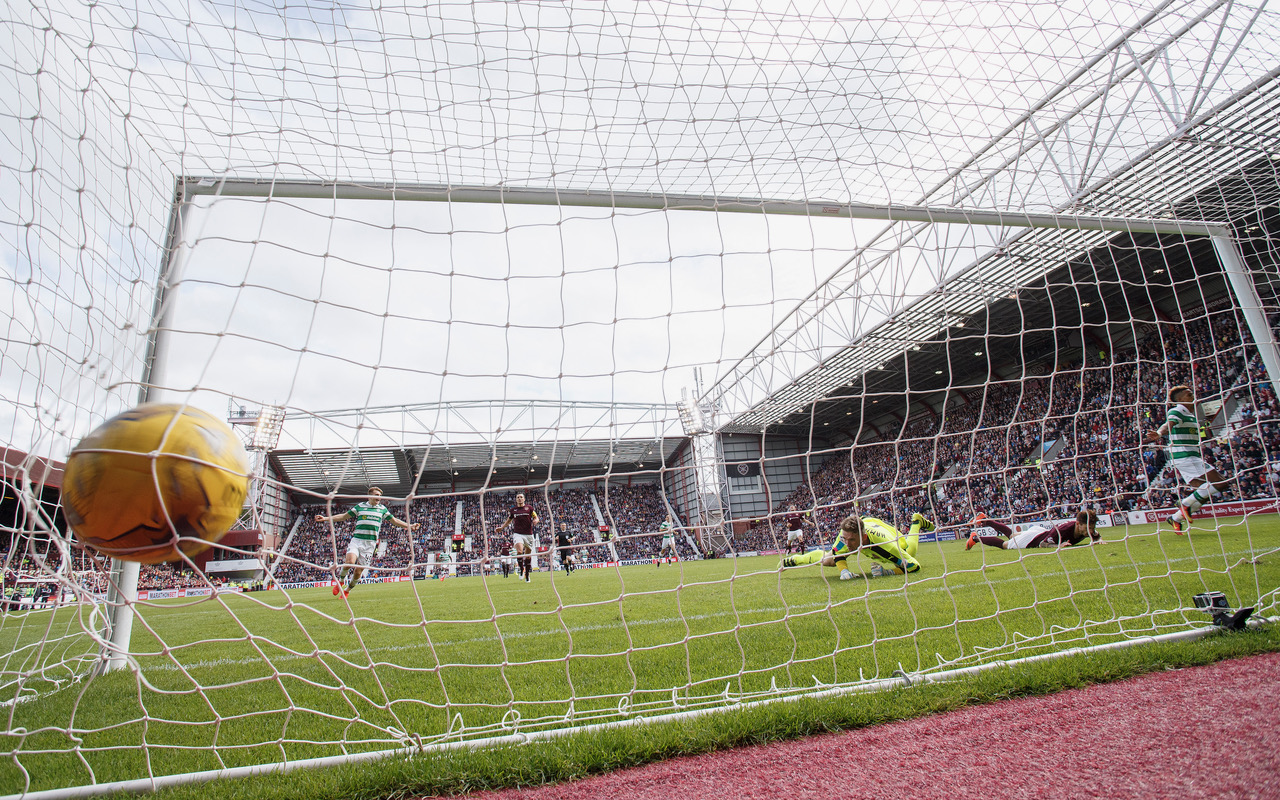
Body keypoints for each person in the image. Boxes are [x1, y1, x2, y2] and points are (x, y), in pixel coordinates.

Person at [1145, 385, 1231, 533]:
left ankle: (1176, 518)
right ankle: (1183, 504)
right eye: (1188, 394)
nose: (1192, 396)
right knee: (1221, 483)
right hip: (1186, 456)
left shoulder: (1190, 415)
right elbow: (1168, 424)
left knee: (1202, 494)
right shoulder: (1177, 410)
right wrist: (1159, 433)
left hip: (1188, 456)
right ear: (1180, 400)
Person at [315, 487, 419, 599]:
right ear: (369, 496)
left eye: (380, 495)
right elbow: (344, 516)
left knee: (358, 572)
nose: (378, 497)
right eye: (376, 495)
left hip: (370, 545)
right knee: (349, 561)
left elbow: (395, 521)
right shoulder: (361, 506)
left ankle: (347, 590)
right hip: (357, 540)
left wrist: (410, 526)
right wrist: (325, 519)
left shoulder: (382, 509)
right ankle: (340, 581)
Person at [781, 512, 930, 580]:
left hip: (887, 533)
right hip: (863, 525)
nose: (847, 544)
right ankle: (796, 559)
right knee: (828, 560)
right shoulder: (845, 536)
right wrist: (844, 571)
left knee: (910, 551)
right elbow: (838, 553)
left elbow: (914, 566)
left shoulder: (886, 546)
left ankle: (917, 522)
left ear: (863, 537)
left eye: (851, 540)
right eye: (845, 539)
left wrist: (889, 572)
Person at [965, 509, 1100, 550]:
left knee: (1012, 535)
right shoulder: (1064, 530)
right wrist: (1059, 545)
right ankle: (975, 538)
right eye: (1088, 528)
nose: (1090, 531)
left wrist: (1099, 539)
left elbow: (1096, 535)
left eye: (1091, 528)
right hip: (1035, 538)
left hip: (1041, 531)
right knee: (1005, 545)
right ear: (1078, 524)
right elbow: (1043, 544)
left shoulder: (1088, 530)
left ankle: (985, 520)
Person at [495, 492, 539, 582]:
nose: (519, 498)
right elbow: (509, 520)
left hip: (529, 535)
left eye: (521, 497)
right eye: (518, 497)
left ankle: (527, 574)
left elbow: (536, 517)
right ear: (516, 499)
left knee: (527, 556)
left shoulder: (529, 508)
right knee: (519, 551)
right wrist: (502, 527)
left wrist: (536, 520)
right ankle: (521, 570)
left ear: (524, 499)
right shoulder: (513, 510)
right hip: (518, 534)